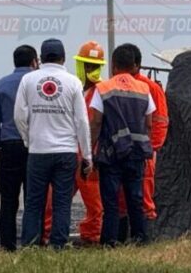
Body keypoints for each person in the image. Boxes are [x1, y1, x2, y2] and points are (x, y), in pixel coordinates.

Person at [14, 37, 92, 250]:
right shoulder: (73, 82)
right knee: (62, 202)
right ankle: (58, 244)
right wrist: (87, 155)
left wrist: (28, 139)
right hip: (66, 152)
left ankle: (30, 245)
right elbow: (82, 121)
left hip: (38, 151)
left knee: (34, 202)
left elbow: (19, 115)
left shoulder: (28, 80)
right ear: (63, 58)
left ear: (40, 58)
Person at [90, 43, 154, 246]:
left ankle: (109, 240)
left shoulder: (103, 88)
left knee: (110, 201)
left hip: (111, 153)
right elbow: (149, 123)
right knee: (135, 198)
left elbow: (96, 122)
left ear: (113, 65)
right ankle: (139, 238)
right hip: (136, 152)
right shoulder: (144, 88)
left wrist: (91, 151)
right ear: (133, 65)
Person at [0, 44, 39, 251]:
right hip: (34, 146)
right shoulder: (38, 84)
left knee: (8, 200)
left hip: (8, 146)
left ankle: (7, 244)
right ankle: (31, 242)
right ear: (34, 62)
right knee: (32, 199)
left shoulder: (1, 85)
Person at [129, 44, 168, 222]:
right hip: (123, 151)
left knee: (144, 195)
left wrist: (151, 149)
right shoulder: (115, 86)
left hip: (143, 151)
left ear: (136, 65)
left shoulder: (150, 88)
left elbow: (160, 121)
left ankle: (146, 229)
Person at [72, 40, 106, 245]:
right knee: (54, 200)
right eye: (87, 65)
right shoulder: (74, 88)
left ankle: (92, 237)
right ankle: (48, 234)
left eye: (94, 66)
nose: (90, 70)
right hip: (69, 153)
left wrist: (89, 155)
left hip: (89, 156)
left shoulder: (101, 91)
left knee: (94, 204)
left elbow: (96, 125)